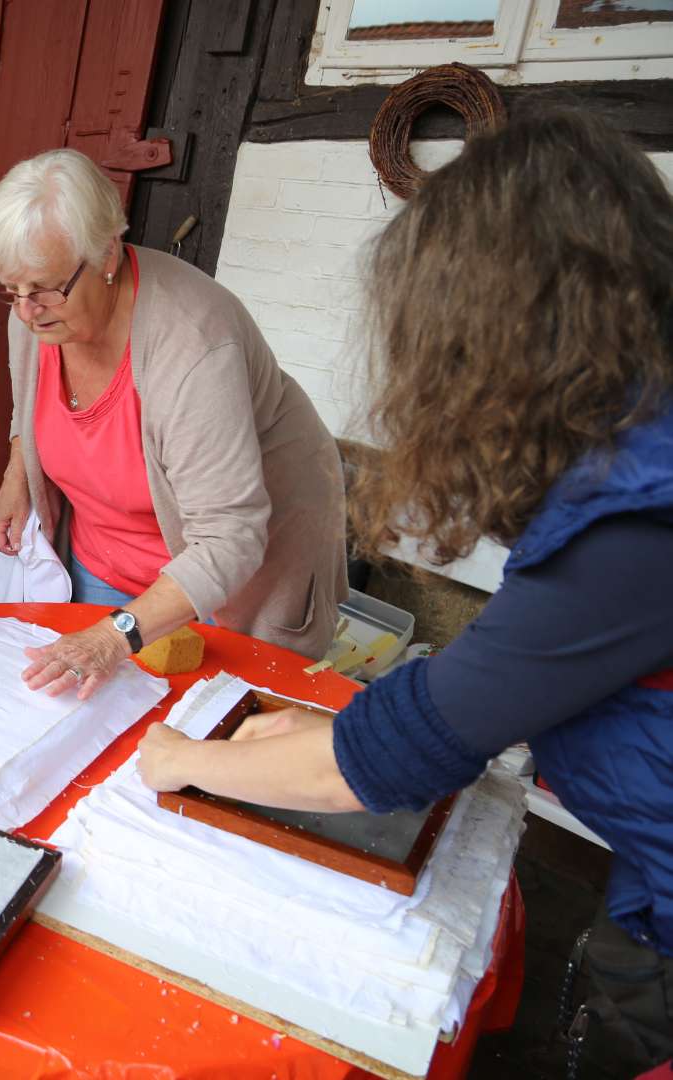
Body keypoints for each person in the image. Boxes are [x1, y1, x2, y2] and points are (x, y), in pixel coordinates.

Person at [136, 111, 673, 1078]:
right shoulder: (636, 454)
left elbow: (397, 752)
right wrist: (298, 741)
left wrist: (188, 762)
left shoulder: (638, 525)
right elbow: (493, 680)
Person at [0, 148, 346, 698]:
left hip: (234, 579)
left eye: (45, 287)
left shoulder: (194, 344)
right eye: (12, 290)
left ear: (106, 253)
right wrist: (16, 473)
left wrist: (113, 635)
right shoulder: (36, 312)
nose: (27, 310)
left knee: (196, 731)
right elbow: (28, 405)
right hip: (106, 551)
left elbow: (230, 537)